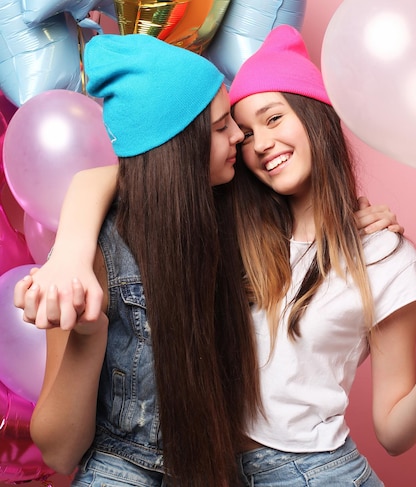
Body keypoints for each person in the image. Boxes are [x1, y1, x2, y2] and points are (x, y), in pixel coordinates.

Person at [16, 26, 416, 487]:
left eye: (267, 120)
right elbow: (126, 178)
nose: (249, 141)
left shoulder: (348, 246)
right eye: (234, 129)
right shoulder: (182, 233)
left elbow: (393, 429)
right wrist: (71, 260)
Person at [18, 33, 262, 487]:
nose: (240, 134)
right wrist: (89, 334)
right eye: (221, 126)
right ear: (177, 148)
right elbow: (58, 452)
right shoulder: (94, 253)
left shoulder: (242, 211)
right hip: (121, 471)